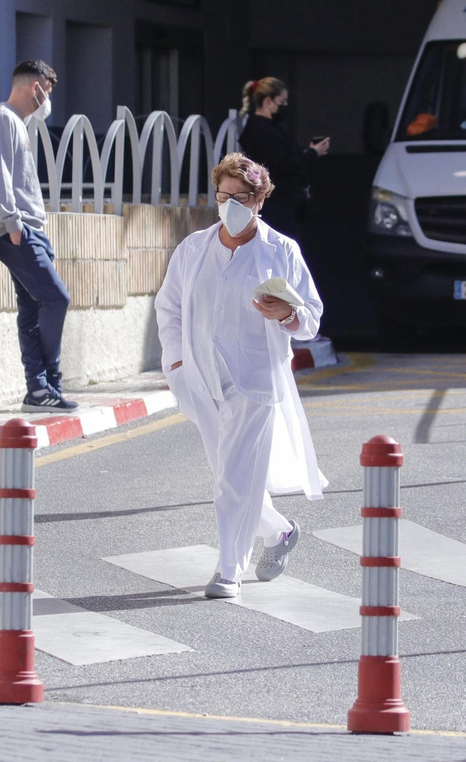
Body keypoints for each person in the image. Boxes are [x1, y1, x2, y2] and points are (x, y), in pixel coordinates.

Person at [155, 152, 328, 599]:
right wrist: (175, 359)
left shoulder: (280, 250)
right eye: (223, 195)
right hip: (199, 378)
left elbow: (311, 317)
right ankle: (280, 531)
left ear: (259, 200)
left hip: (253, 380)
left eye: (241, 196)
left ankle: (229, 568)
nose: (230, 203)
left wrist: (287, 312)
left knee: (233, 477)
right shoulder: (194, 248)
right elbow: (169, 306)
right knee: (228, 473)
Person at [0, 60, 77, 413]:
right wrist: (13, 223)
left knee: (32, 309)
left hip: (27, 228)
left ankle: (38, 391)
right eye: (47, 92)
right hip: (15, 230)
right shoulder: (2, 118)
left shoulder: (17, 124)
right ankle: (50, 380)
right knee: (57, 298)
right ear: (35, 86)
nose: (48, 101)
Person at [236, 78, 330, 242]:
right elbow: (282, 164)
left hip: (277, 204)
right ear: (268, 102)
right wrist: (311, 153)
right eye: (282, 102)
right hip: (276, 206)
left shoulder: (264, 129)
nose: (285, 107)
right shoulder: (263, 132)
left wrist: (308, 152)